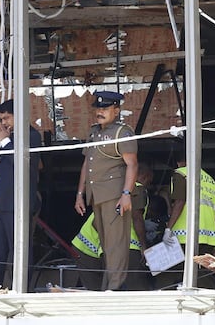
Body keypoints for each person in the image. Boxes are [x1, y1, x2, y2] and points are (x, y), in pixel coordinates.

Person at [74, 90, 138, 290]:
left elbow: (132, 165)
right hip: (97, 196)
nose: (100, 112)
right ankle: (108, 286)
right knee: (105, 244)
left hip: (114, 195)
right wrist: (80, 194)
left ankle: (115, 287)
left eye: (105, 108)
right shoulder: (94, 132)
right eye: (98, 108)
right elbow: (87, 163)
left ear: (116, 110)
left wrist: (126, 194)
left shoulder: (122, 132)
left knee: (116, 244)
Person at [0, 99, 41, 291]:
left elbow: (20, 163)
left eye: (7, 118)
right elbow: (6, 173)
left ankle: (20, 289)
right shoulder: (10, 140)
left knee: (19, 251)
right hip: (2, 204)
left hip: (18, 205)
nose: (4, 123)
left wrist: (4, 140)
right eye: (2, 119)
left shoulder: (31, 136)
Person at [71, 164, 154, 290]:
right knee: (137, 290)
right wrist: (143, 246)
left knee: (103, 291)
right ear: (144, 177)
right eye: (149, 181)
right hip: (126, 248)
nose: (148, 184)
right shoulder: (137, 188)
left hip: (94, 249)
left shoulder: (113, 190)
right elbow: (137, 217)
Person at [155, 157, 215, 290]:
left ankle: (166, 306)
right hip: (207, 240)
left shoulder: (181, 173)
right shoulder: (213, 183)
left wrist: (168, 228)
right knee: (203, 277)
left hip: (183, 237)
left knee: (165, 274)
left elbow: (180, 202)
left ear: (179, 162)